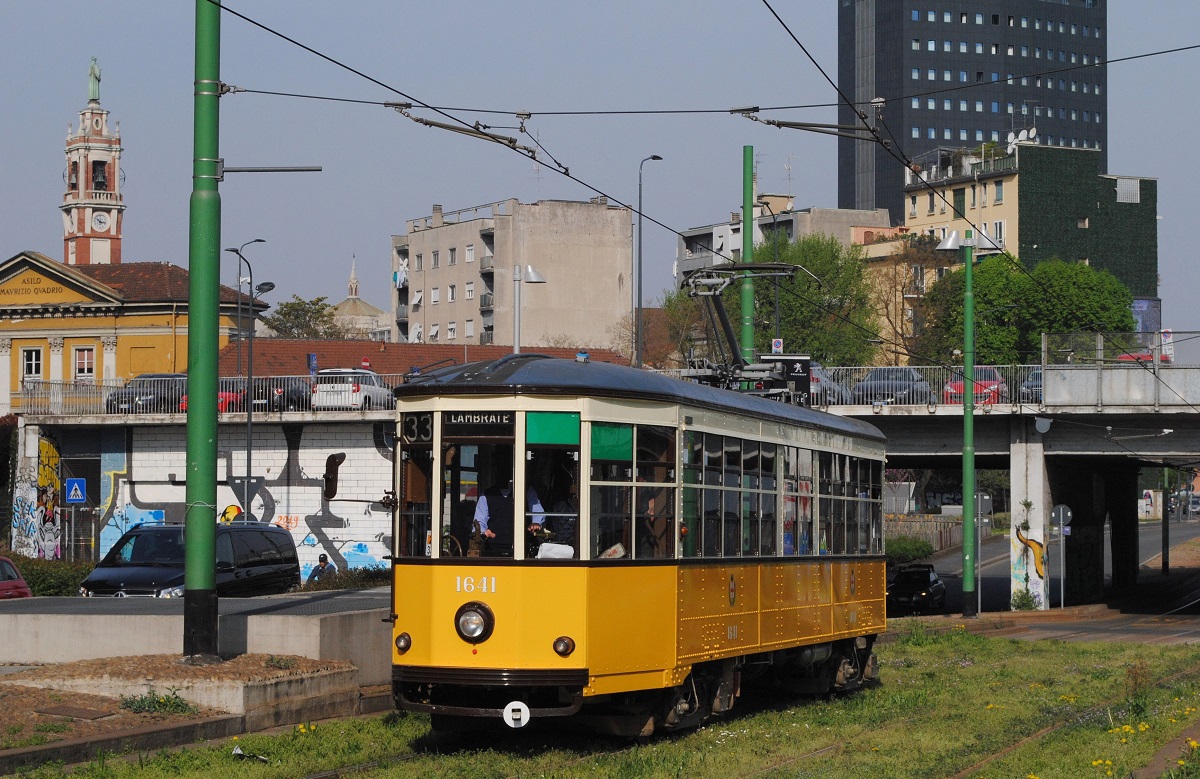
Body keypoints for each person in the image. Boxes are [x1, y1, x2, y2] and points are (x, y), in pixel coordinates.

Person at [473, 481, 544, 553]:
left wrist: (536, 523)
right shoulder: (486, 494)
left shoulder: (527, 490)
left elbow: (537, 512)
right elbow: (479, 520)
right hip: (493, 547)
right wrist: (483, 531)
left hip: (523, 546)